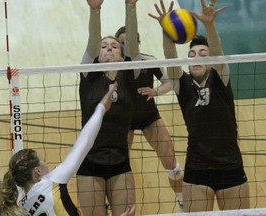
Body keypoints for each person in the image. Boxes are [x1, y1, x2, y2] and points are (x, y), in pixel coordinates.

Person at [149, 0, 250, 212]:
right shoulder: (182, 83)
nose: (197, 58)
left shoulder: (220, 78)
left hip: (231, 168)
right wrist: (168, 30)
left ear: (211, 61)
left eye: (204, 55)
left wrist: (209, 25)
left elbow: (217, 49)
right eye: (192, 55)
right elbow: (170, 56)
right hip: (197, 170)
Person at [0, 82, 137, 216]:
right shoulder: (51, 183)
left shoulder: (22, 207)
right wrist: (101, 107)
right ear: (37, 170)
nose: (45, 164)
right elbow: (84, 142)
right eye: (42, 161)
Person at [77, 0, 140, 215]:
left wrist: (130, 6)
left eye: (114, 47)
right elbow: (92, 42)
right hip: (89, 163)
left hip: (120, 162)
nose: (109, 50)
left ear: (122, 56)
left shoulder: (130, 76)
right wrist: (95, 10)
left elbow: (132, 43)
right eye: (104, 47)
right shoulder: (88, 75)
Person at [115, 26, 184, 208]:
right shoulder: (111, 66)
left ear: (137, 44)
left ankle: (183, 200)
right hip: (122, 122)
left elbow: (171, 81)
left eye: (129, 42)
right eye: (121, 43)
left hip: (149, 117)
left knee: (171, 162)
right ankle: (113, 203)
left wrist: (157, 91)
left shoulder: (148, 61)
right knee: (117, 165)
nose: (125, 45)